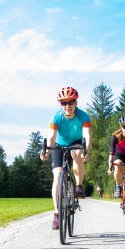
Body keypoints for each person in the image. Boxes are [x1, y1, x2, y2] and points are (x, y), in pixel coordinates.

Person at [40, 86, 92, 230]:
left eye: (70, 102)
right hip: (59, 144)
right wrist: (47, 152)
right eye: (64, 103)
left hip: (76, 143)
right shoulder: (56, 117)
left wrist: (86, 151)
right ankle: (56, 213)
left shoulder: (84, 116)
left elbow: (87, 136)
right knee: (57, 176)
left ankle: (79, 186)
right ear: (60, 105)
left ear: (76, 102)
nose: (67, 106)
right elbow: (51, 137)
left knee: (78, 154)